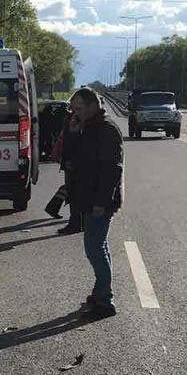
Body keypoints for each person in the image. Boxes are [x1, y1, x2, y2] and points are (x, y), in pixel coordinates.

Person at [68, 86, 124, 318]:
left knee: (94, 248)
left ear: (93, 106)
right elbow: (74, 160)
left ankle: (105, 301)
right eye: (73, 109)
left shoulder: (106, 130)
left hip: (100, 200)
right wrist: (73, 132)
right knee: (99, 246)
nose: (75, 113)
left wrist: (102, 202)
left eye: (79, 108)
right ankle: (101, 292)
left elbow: (111, 170)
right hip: (90, 197)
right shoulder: (89, 127)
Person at [45, 109, 84, 234]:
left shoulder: (71, 117)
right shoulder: (76, 119)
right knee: (73, 189)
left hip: (70, 161)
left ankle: (54, 208)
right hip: (73, 161)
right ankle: (75, 222)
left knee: (71, 187)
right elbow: (69, 142)